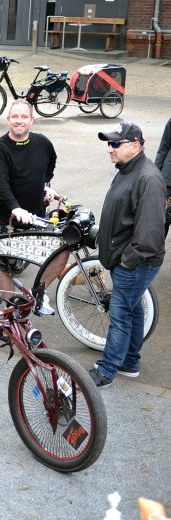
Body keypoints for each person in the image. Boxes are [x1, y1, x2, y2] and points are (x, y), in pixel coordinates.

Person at [88, 123, 166, 388]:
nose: (110, 148)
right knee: (131, 312)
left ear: (135, 145)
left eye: (115, 143)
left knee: (120, 314)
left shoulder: (148, 178)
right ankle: (130, 361)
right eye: (109, 143)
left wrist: (126, 260)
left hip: (135, 263)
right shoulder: (127, 169)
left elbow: (151, 234)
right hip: (125, 259)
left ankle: (107, 370)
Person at [0, 99, 65, 314]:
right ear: (8, 119)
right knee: (8, 268)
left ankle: (39, 292)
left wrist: (46, 186)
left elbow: (50, 164)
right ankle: (10, 312)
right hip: (9, 220)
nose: (19, 121)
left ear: (32, 119)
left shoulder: (43, 143)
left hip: (38, 216)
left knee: (61, 251)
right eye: (15, 117)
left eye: (23, 117)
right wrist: (15, 207)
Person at [154, 117, 171, 236]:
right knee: (161, 220)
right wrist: (155, 174)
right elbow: (163, 148)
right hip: (168, 179)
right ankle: (155, 251)